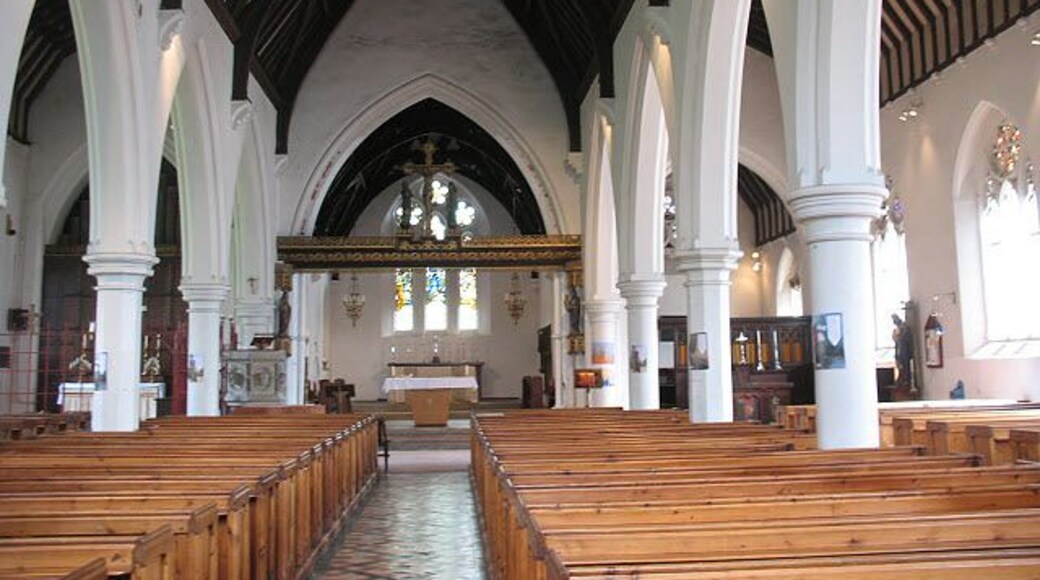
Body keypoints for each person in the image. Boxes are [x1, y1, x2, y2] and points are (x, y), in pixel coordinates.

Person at [891, 313, 912, 387]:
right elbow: (895, 339)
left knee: (905, 365)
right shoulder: (896, 329)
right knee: (899, 365)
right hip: (899, 349)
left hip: (904, 349)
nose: (894, 322)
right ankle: (901, 379)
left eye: (894, 319)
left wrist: (899, 336)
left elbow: (903, 335)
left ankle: (906, 380)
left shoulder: (904, 326)